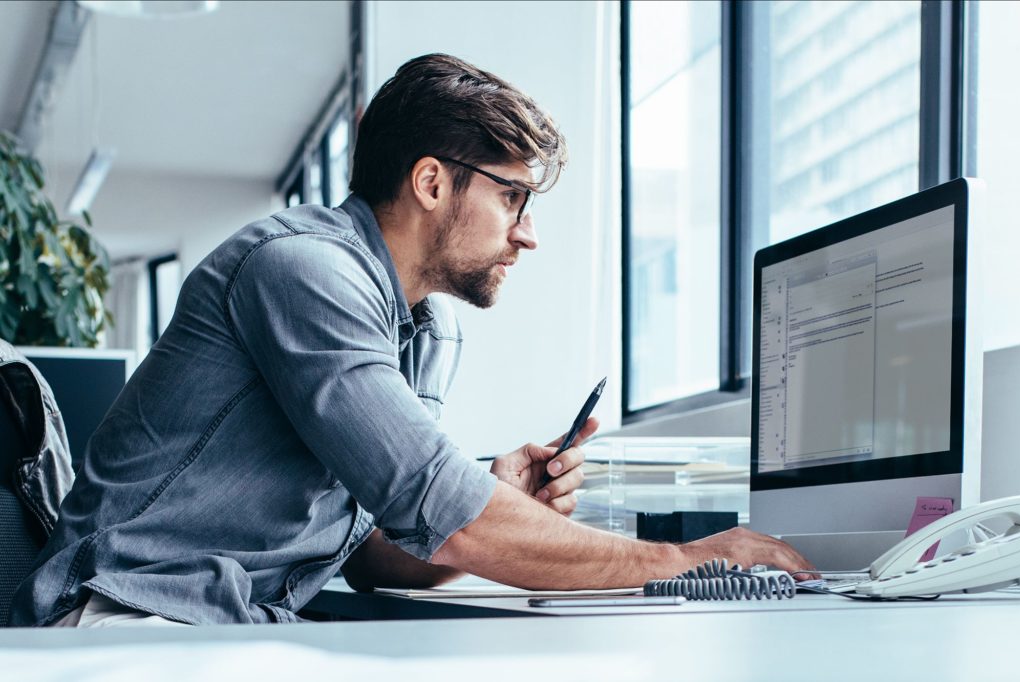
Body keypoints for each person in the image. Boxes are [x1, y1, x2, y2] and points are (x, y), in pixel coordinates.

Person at [11, 54, 808, 627]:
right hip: (127, 620)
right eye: (513, 197)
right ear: (432, 182)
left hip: (233, 625)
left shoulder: (427, 327)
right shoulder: (301, 272)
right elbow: (447, 512)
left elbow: (368, 554)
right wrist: (688, 561)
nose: (528, 235)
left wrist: (495, 493)